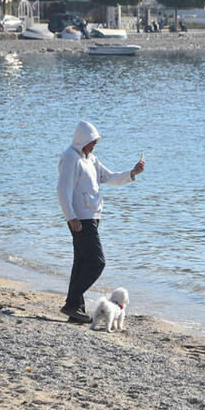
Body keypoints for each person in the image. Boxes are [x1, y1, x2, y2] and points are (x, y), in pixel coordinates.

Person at [57, 121, 145, 323]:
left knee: (80, 264)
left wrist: (132, 173)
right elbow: (62, 190)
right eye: (92, 142)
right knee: (97, 263)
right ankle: (71, 303)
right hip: (80, 219)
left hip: (92, 218)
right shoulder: (70, 158)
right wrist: (71, 217)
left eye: (95, 142)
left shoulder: (91, 159)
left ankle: (76, 312)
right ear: (82, 140)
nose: (94, 146)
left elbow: (110, 177)